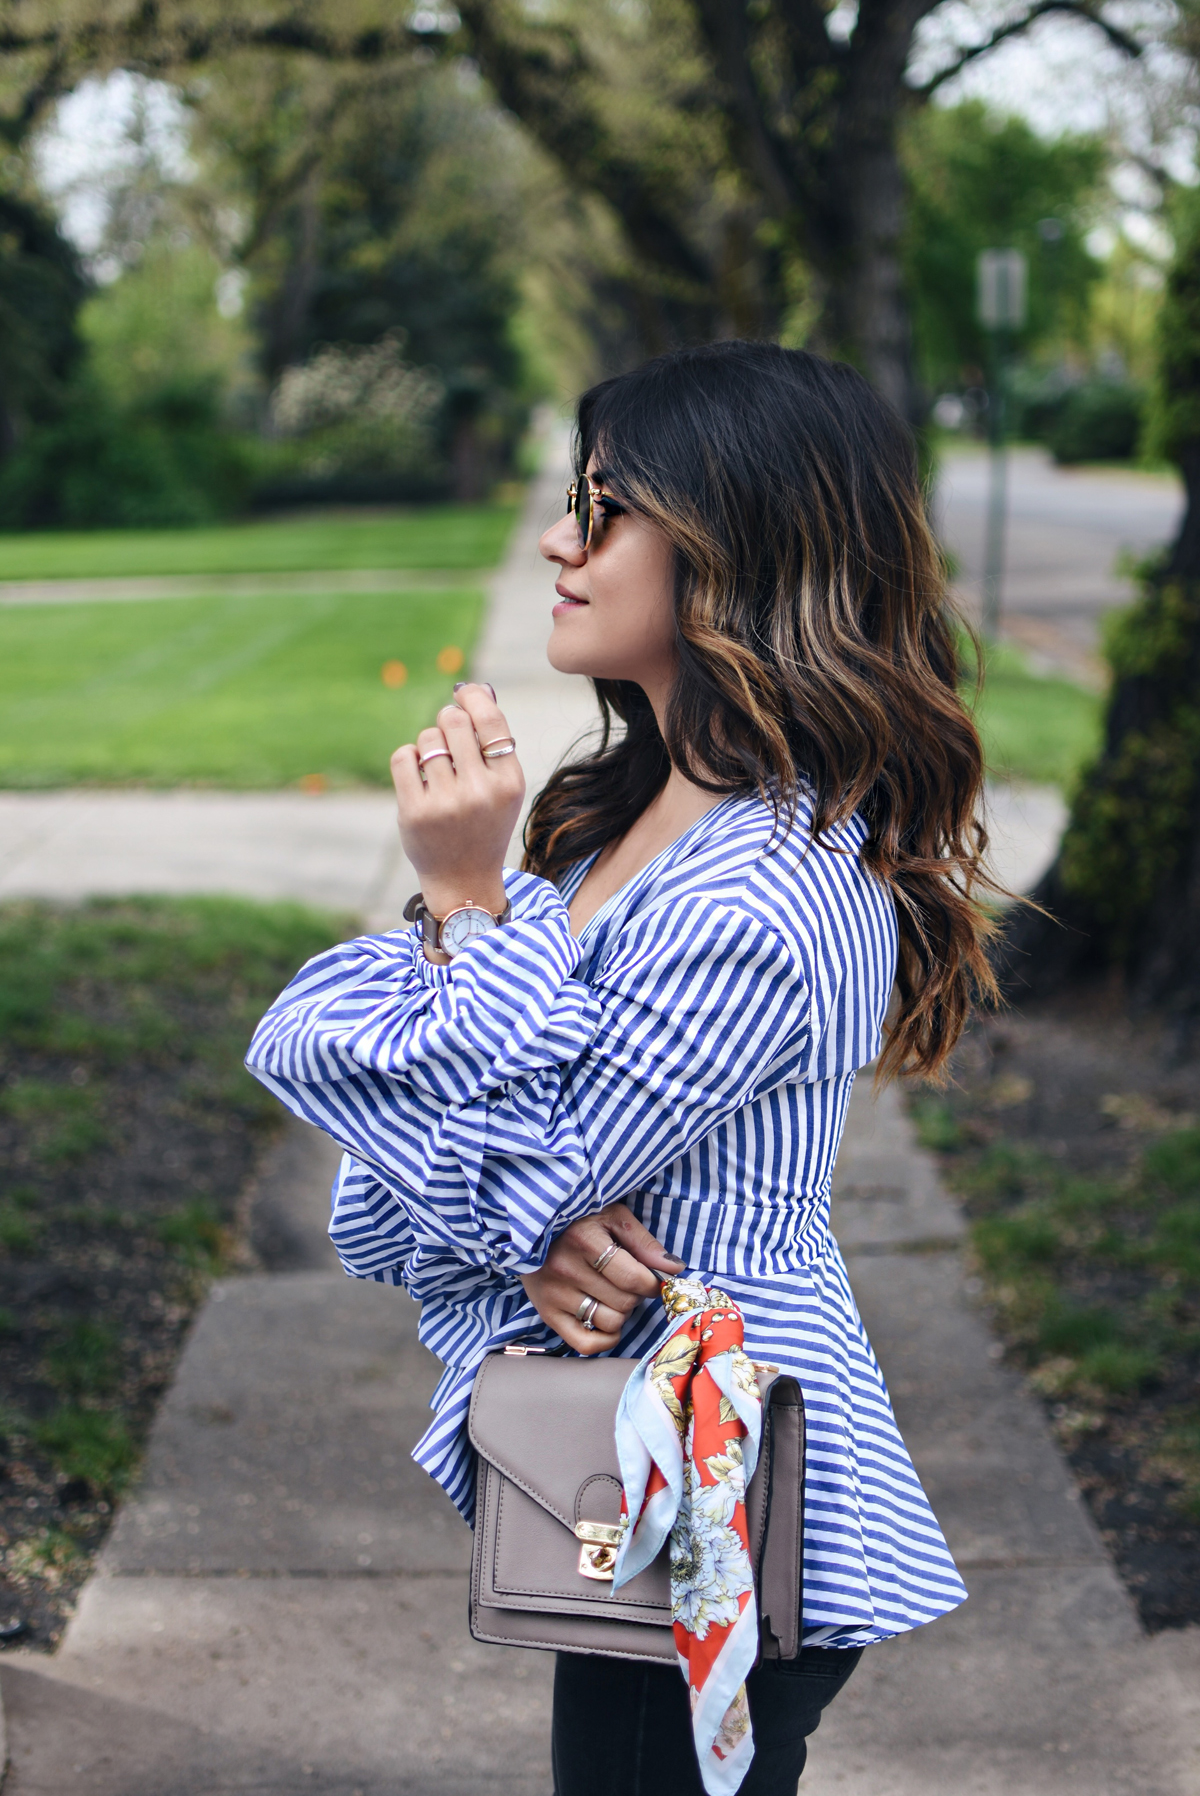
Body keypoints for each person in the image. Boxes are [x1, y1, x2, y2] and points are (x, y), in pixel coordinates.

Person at [246, 341, 998, 1795]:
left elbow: (488, 1150)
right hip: (632, 1462)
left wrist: (464, 910)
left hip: (718, 1493)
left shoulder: (768, 897)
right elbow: (377, 1175)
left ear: (739, 546)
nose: (557, 540)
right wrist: (515, 1217)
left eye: (605, 510)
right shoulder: (619, 830)